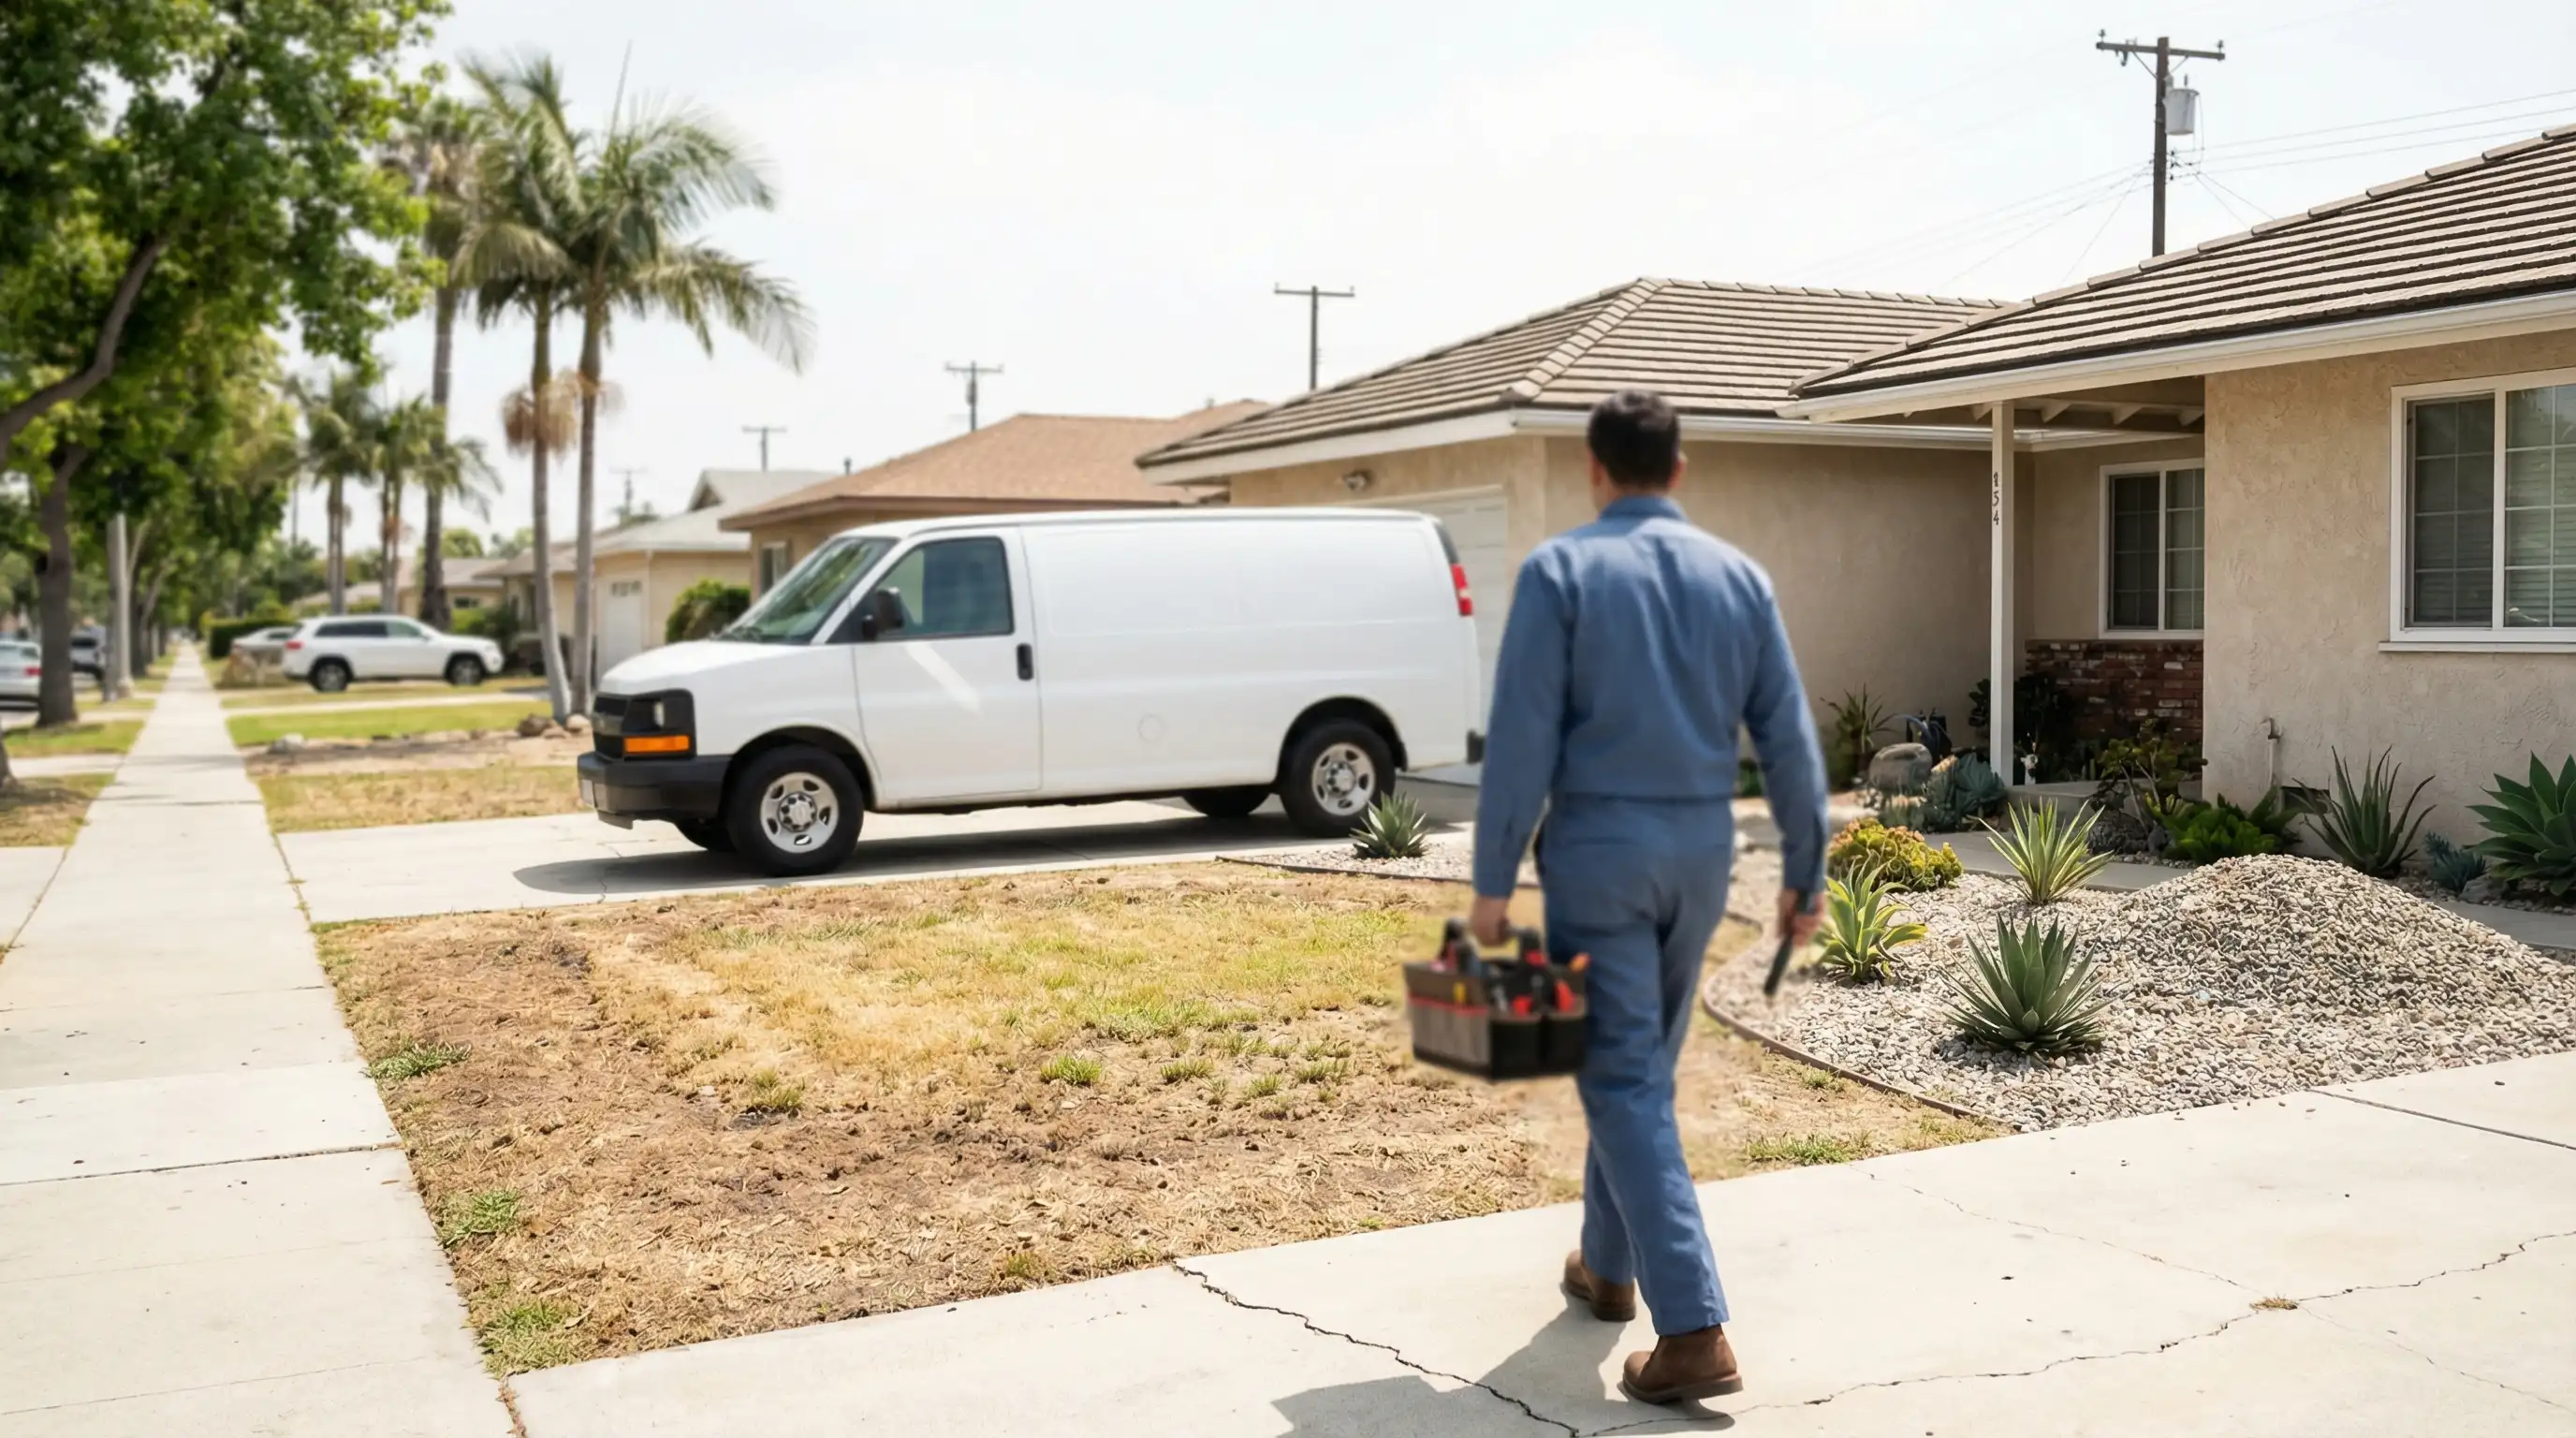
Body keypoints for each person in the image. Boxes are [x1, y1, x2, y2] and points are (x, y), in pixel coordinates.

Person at [1469, 389, 1827, 1406]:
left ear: (1595, 469)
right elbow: (1791, 740)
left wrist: (1492, 885)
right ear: (1677, 470)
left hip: (1598, 857)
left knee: (1620, 1076)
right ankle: (1605, 1264)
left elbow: (1522, 740)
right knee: (1632, 1067)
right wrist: (1806, 870)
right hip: (1700, 858)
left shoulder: (1561, 571)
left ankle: (1695, 1328)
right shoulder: (1740, 578)